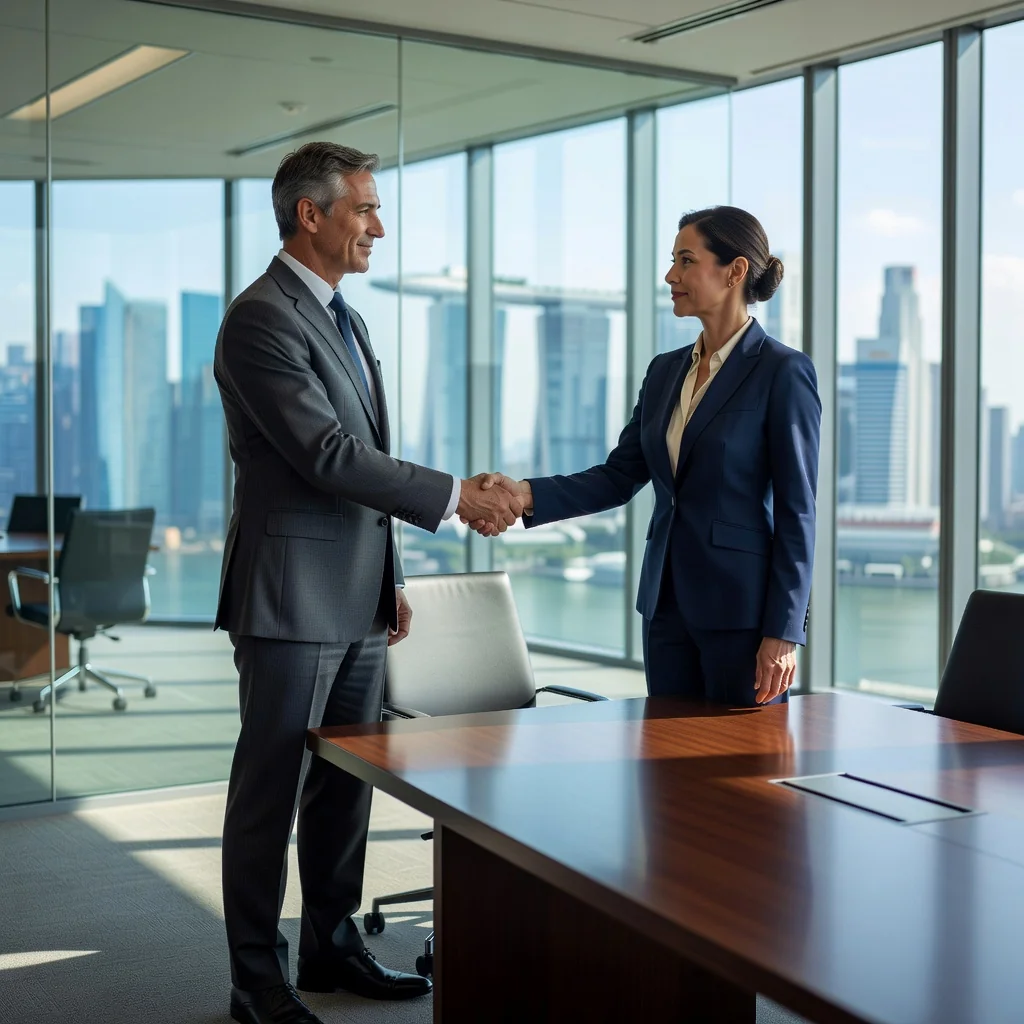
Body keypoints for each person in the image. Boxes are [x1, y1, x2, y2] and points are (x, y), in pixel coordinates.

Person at [214, 141, 521, 1024]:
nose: (377, 227)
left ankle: (331, 943)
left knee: (345, 782)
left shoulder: (344, 318)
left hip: (351, 595)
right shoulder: (261, 319)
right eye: (364, 210)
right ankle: (254, 979)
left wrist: (387, 578)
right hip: (288, 595)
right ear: (310, 215)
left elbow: (363, 466)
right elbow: (327, 456)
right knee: (269, 789)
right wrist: (460, 496)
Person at [473, 206, 820, 707]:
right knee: (664, 769)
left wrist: (784, 631)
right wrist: (524, 495)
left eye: (685, 260)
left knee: (740, 772)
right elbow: (619, 476)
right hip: (664, 607)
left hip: (742, 615)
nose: (670, 275)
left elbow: (798, 512)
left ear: (735, 271)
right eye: (672, 261)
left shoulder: (783, 372)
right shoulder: (664, 372)